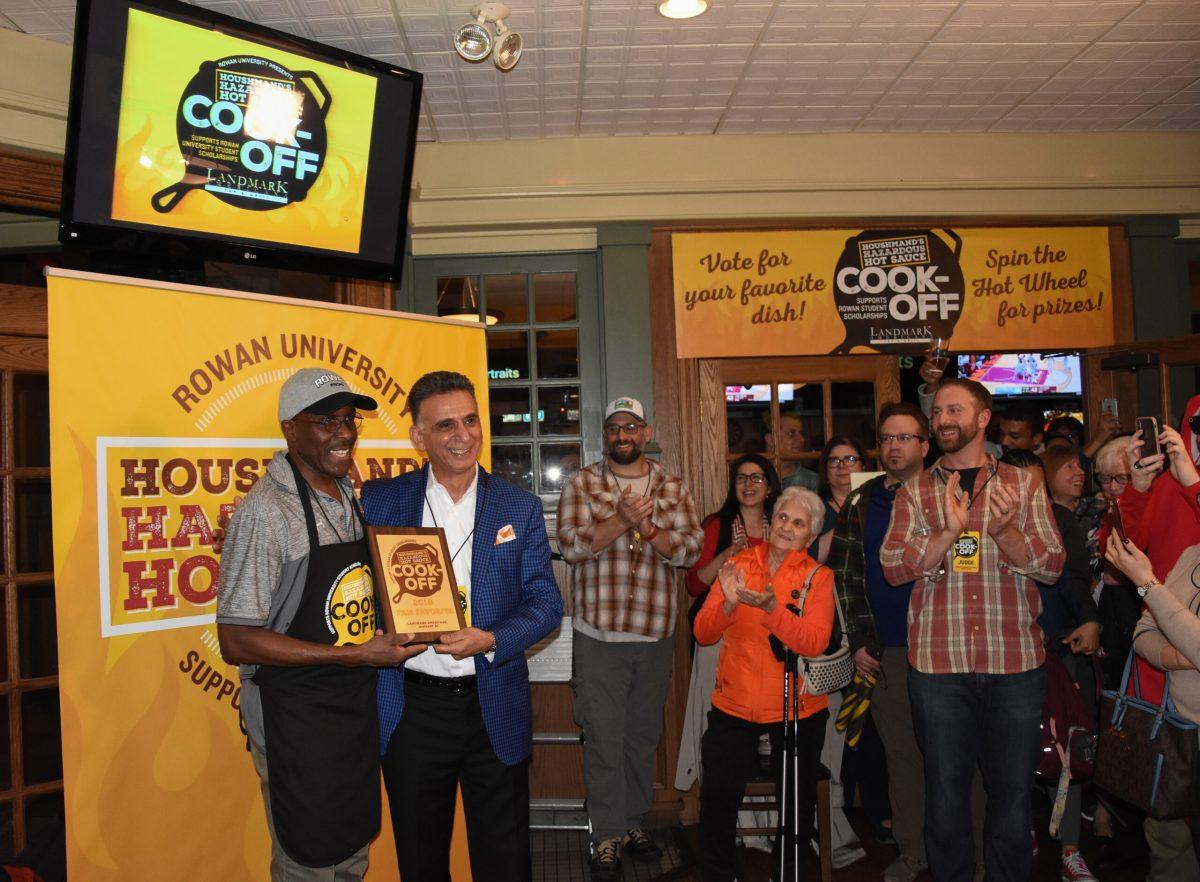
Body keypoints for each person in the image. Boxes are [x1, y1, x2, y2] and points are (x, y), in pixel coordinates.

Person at [216, 368, 424, 881]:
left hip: (350, 710)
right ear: (290, 428)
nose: (345, 433)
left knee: (350, 848)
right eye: (326, 421)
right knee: (308, 860)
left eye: (349, 420)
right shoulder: (266, 513)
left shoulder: (346, 496)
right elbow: (236, 640)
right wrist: (356, 655)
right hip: (296, 718)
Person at [359, 370, 563, 882]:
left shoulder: (520, 507)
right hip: (411, 706)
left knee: (504, 860)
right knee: (421, 859)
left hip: (491, 700)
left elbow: (545, 604)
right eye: (446, 424)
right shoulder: (379, 502)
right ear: (418, 437)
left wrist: (491, 638)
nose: (463, 435)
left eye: (471, 420)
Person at [881, 378, 1065, 882]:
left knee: (1011, 794)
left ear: (983, 419)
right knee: (944, 792)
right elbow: (893, 567)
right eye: (938, 410)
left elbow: (1052, 566)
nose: (942, 419)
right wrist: (945, 534)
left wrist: (1006, 534)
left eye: (954, 409)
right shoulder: (915, 492)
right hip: (940, 668)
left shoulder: (1024, 484)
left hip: (1016, 665)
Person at [557, 396, 704, 881]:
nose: (622, 436)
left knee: (641, 739)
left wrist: (648, 526)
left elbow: (689, 551)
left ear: (645, 431)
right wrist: (620, 520)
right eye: (614, 428)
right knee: (603, 740)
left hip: (655, 634)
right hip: (598, 636)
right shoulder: (584, 483)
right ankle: (605, 835)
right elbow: (572, 546)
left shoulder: (672, 486)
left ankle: (633, 824)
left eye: (631, 427)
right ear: (607, 435)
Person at [693, 486, 835, 882]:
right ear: (772, 523)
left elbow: (814, 641)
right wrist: (728, 604)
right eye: (784, 519)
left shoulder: (816, 578)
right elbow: (703, 633)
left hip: (797, 710)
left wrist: (772, 610)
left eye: (799, 523)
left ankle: (785, 875)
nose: (788, 528)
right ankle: (720, 875)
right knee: (718, 798)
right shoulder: (738, 565)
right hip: (734, 704)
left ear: (809, 536)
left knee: (796, 804)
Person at [829, 401, 938, 882]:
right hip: (886, 649)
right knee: (901, 755)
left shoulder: (949, 493)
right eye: (888, 439)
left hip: (945, 646)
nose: (894, 446)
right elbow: (846, 577)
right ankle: (913, 852)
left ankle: (964, 853)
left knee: (954, 755)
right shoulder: (863, 500)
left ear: (925, 445)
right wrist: (858, 641)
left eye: (905, 438)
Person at [1097, 398, 1200, 882]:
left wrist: (1192, 484)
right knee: (1166, 798)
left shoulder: (1185, 484)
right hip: (1161, 654)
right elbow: (1117, 556)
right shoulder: (1160, 486)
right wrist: (1135, 491)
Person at [1002, 448, 1101, 882]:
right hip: (1006, 658)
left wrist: (1091, 620)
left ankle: (1071, 850)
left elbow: (1074, 578)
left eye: (1035, 485)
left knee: (1067, 751)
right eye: (1019, 484)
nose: (1028, 493)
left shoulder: (1059, 521)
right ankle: (1022, 834)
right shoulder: (984, 525)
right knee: (1011, 754)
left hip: (1059, 653)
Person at [676, 455, 780, 795]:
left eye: (757, 478)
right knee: (724, 726)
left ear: (769, 486)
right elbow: (694, 585)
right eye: (741, 478)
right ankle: (729, 817)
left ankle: (766, 820)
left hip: (770, 639)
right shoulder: (717, 525)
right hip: (720, 639)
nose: (749, 485)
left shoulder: (781, 525)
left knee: (764, 728)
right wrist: (731, 552)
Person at [813, 436, 867, 562]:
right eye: (834, 460)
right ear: (825, 470)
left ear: (863, 466)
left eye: (850, 459)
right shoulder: (814, 509)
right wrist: (849, 520)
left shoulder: (877, 503)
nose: (842, 466)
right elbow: (810, 558)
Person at [769, 410, 819, 491]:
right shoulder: (757, 478)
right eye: (791, 433)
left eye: (801, 433)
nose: (801, 439)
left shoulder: (813, 481)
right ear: (771, 439)